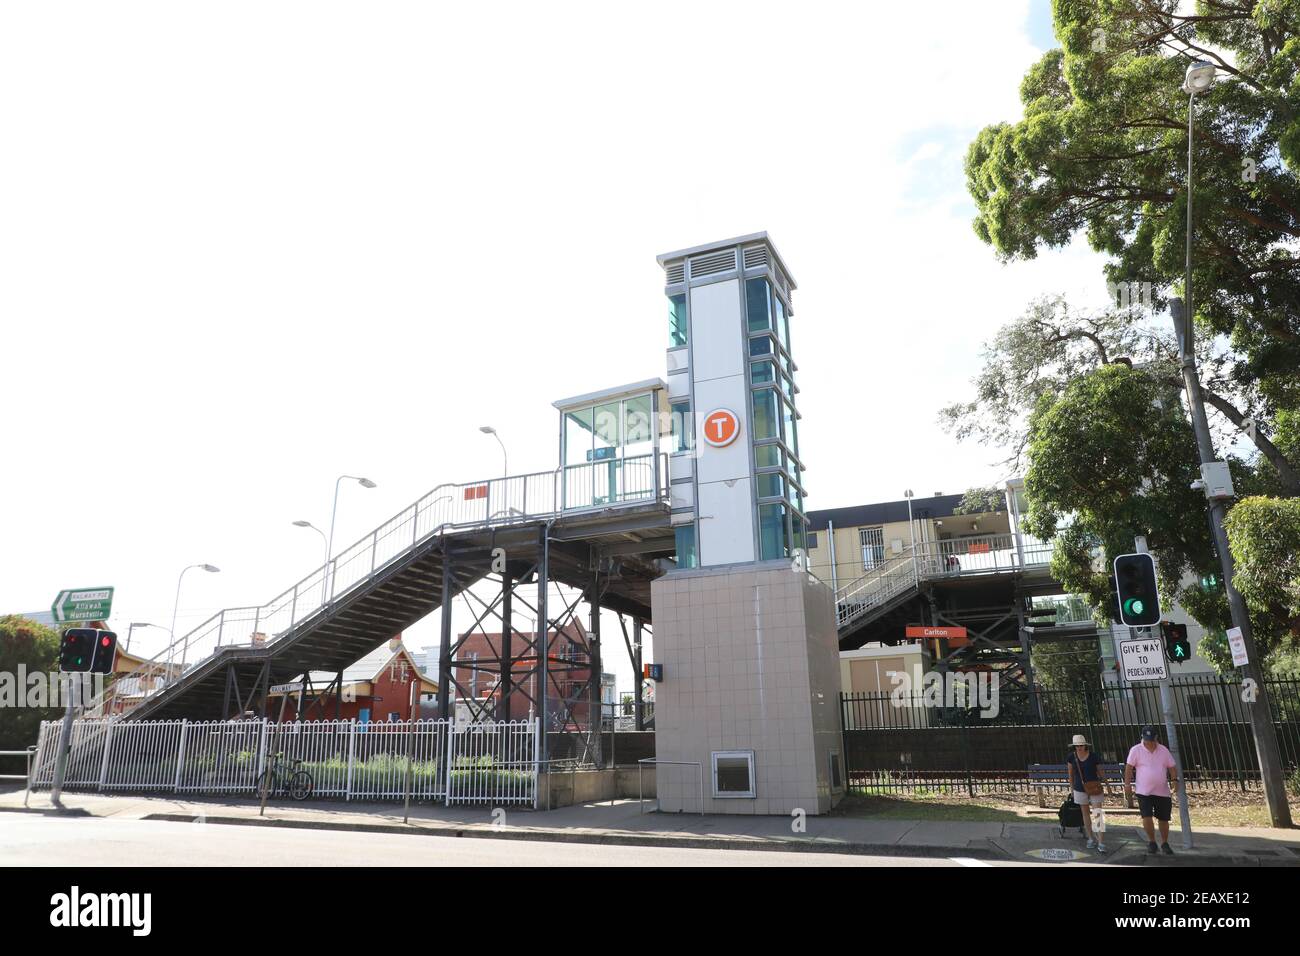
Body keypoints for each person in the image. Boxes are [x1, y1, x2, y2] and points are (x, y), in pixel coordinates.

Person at [1124, 725, 1178, 855]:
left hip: (1162, 791)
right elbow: (1129, 768)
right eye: (1147, 739)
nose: (1149, 742)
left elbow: (1172, 767)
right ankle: (1152, 842)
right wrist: (1127, 785)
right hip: (1144, 791)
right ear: (1142, 737)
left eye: (1151, 739)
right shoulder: (1136, 750)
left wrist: (1174, 780)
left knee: (1163, 818)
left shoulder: (1163, 750)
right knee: (1146, 816)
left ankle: (1165, 843)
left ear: (1156, 738)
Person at [1065, 734, 1107, 853]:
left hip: (1094, 787)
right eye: (1077, 745)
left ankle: (1101, 841)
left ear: (1085, 745)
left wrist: (1107, 784)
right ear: (1074, 746)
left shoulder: (1093, 756)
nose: (1079, 747)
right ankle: (1090, 838)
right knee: (1085, 814)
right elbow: (1070, 775)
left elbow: (1100, 771)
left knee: (1098, 813)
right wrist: (1072, 789)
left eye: (1081, 745)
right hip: (1079, 788)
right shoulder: (1071, 757)